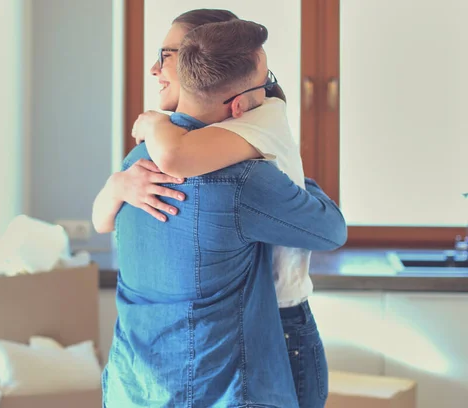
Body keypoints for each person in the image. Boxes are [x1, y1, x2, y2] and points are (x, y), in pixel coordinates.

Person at [95, 17, 347, 407]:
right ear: (241, 104)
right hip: (218, 389)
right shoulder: (246, 179)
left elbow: (104, 221)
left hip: (134, 384)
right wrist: (288, 173)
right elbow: (331, 230)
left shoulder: (134, 163)